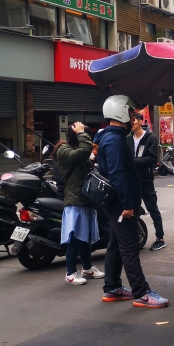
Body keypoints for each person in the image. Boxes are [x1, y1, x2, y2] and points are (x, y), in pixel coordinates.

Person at [97, 95, 169, 308]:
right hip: (120, 203)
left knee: (116, 245)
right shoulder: (116, 140)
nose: (133, 118)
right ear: (121, 112)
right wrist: (128, 204)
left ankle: (112, 287)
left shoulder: (107, 137)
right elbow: (118, 174)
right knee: (129, 247)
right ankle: (142, 293)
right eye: (130, 113)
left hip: (114, 201)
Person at [53, 122, 104, 285]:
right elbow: (82, 153)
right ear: (77, 135)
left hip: (85, 199)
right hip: (75, 200)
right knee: (74, 237)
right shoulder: (64, 150)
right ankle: (70, 272)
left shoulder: (77, 150)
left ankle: (87, 268)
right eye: (84, 135)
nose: (88, 138)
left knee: (85, 237)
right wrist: (82, 135)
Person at [128, 112, 166, 251]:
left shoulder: (150, 138)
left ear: (138, 121)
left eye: (132, 121)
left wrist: (132, 162)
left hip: (145, 180)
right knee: (133, 209)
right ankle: (134, 238)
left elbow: (152, 158)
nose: (130, 124)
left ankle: (160, 238)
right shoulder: (128, 138)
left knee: (152, 209)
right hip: (132, 180)